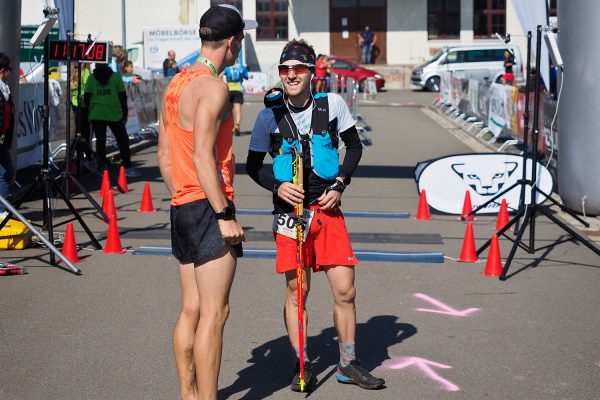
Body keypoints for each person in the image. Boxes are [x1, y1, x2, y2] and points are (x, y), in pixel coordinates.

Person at [246, 39, 385, 392]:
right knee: (298, 290)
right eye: (284, 69)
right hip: (290, 215)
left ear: (311, 73)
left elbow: (354, 146)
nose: (290, 75)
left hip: (327, 210)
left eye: (298, 69)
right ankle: (302, 362)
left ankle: (348, 362)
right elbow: (252, 166)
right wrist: (276, 186)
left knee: (345, 290)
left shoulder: (332, 104)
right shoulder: (267, 116)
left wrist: (340, 183)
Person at [157, 4, 256, 400]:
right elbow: (202, 155)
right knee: (215, 314)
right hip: (208, 205)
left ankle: (189, 394)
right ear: (231, 42)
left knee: (191, 310)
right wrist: (224, 213)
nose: (241, 45)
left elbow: (165, 157)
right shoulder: (214, 88)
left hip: (183, 204)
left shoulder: (177, 82)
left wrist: (182, 195)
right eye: (241, 39)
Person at [84, 63, 140, 177]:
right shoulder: (115, 77)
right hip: (113, 113)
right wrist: (124, 113)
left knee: (100, 141)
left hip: (97, 113)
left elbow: (87, 96)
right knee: (122, 140)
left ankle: (101, 167)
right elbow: (122, 96)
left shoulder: (91, 78)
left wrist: (89, 111)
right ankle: (127, 166)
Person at [0, 53, 15, 218]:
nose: (10, 72)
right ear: (3, 70)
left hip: (2, 139)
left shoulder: (4, 89)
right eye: (9, 69)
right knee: (4, 174)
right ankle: (1, 212)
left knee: (9, 172)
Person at [70, 63, 93, 160]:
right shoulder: (86, 72)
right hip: (84, 105)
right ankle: (88, 156)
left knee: (78, 131)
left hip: (75, 104)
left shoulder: (72, 73)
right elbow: (89, 90)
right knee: (86, 132)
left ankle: (79, 155)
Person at [223, 58, 248, 136]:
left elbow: (221, 74)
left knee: (228, 110)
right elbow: (246, 77)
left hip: (229, 89)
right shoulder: (242, 67)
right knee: (238, 109)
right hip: (238, 89)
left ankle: (228, 127)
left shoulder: (227, 67)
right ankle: (237, 125)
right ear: (237, 59)